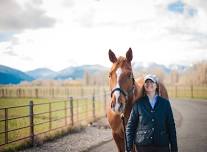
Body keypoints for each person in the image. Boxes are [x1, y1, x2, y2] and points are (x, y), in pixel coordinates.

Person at [126, 74, 178, 152]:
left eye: (152, 82)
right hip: (142, 147)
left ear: (156, 85)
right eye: (147, 82)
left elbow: (171, 126)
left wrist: (174, 148)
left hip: (162, 146)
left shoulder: (165, 103)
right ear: (144, 86)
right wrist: (128, 148)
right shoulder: (138, 104)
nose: (149, 84)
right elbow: (130, 127)